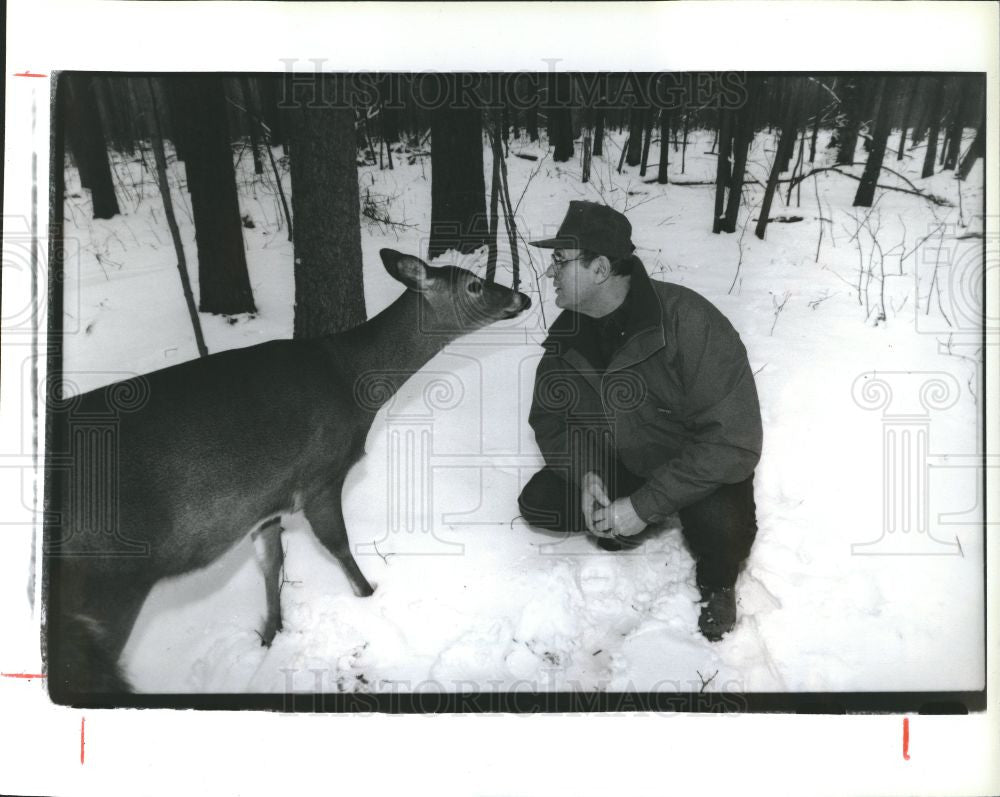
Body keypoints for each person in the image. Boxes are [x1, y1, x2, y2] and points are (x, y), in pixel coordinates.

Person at [518, 201, 762, 641]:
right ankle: (631, 519)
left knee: (724, 530)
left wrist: (644, 506)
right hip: (625, 459)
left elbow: (734, 443)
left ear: (600, 268)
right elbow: (551, 421)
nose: (549, 273)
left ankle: (717, 585)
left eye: (560, 261)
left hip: (696, 468)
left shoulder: (690, 322)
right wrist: (587, 472)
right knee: (541, 502)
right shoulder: (567, 335)